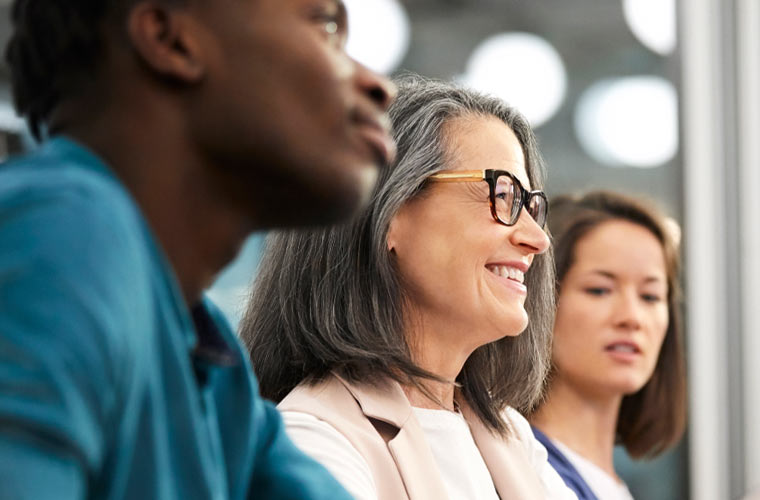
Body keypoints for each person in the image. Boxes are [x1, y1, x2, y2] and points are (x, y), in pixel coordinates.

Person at [0, 0, 396, 498]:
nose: (382, 85)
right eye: (325, 26)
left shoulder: (212, 362)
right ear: (170, 39)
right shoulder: (60, 233)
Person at [241, 75, 576, 500]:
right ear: (388, 212)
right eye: (503, 194)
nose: (538, 238)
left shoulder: (510, 436)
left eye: (531, 206)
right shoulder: (314, 440)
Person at [525, 192, 688, 500]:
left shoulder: (611, 486)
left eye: (650, 296)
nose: (631, 317)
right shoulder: (523, 472)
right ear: (542, 302)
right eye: (600, 290)